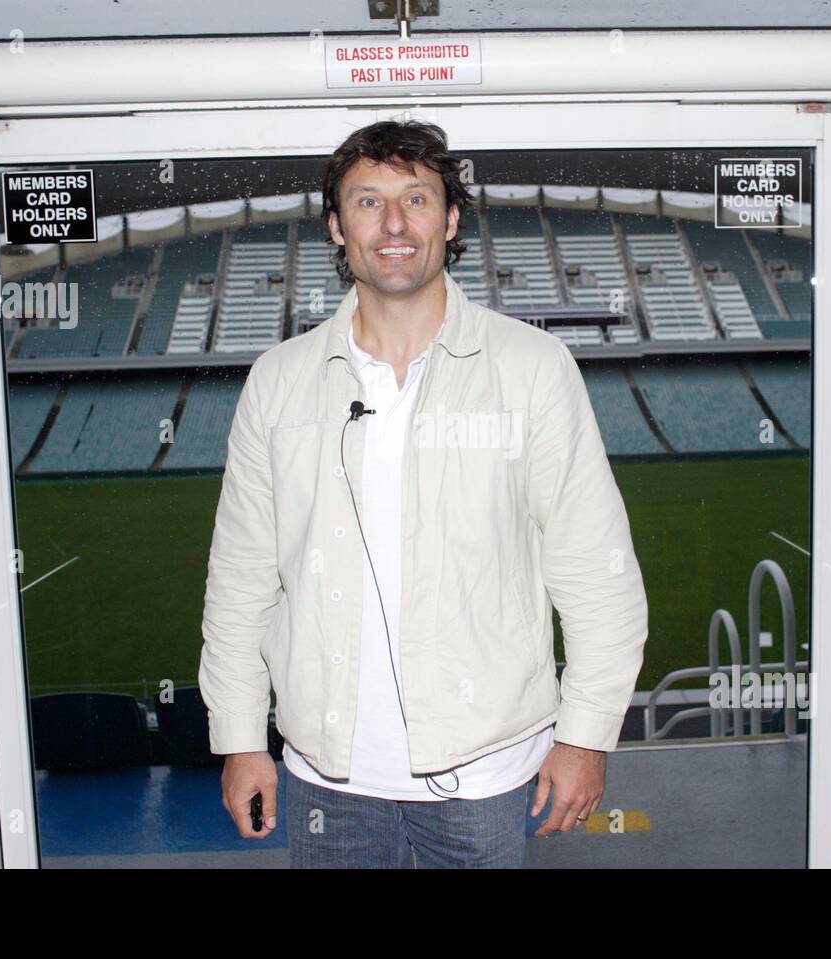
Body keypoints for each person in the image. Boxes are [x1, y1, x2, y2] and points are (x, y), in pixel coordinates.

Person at [198, 119, 648, 868]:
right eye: (369, 203)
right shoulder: (278, 382)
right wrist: (242, 738)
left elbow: (596, 572)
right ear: (338, 229)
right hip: (327, 781)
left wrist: (586, 734)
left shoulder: (533, 369)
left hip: (488, 778)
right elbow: (241, 580)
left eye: (416, 198)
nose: (396, 223)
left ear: (452, 218)